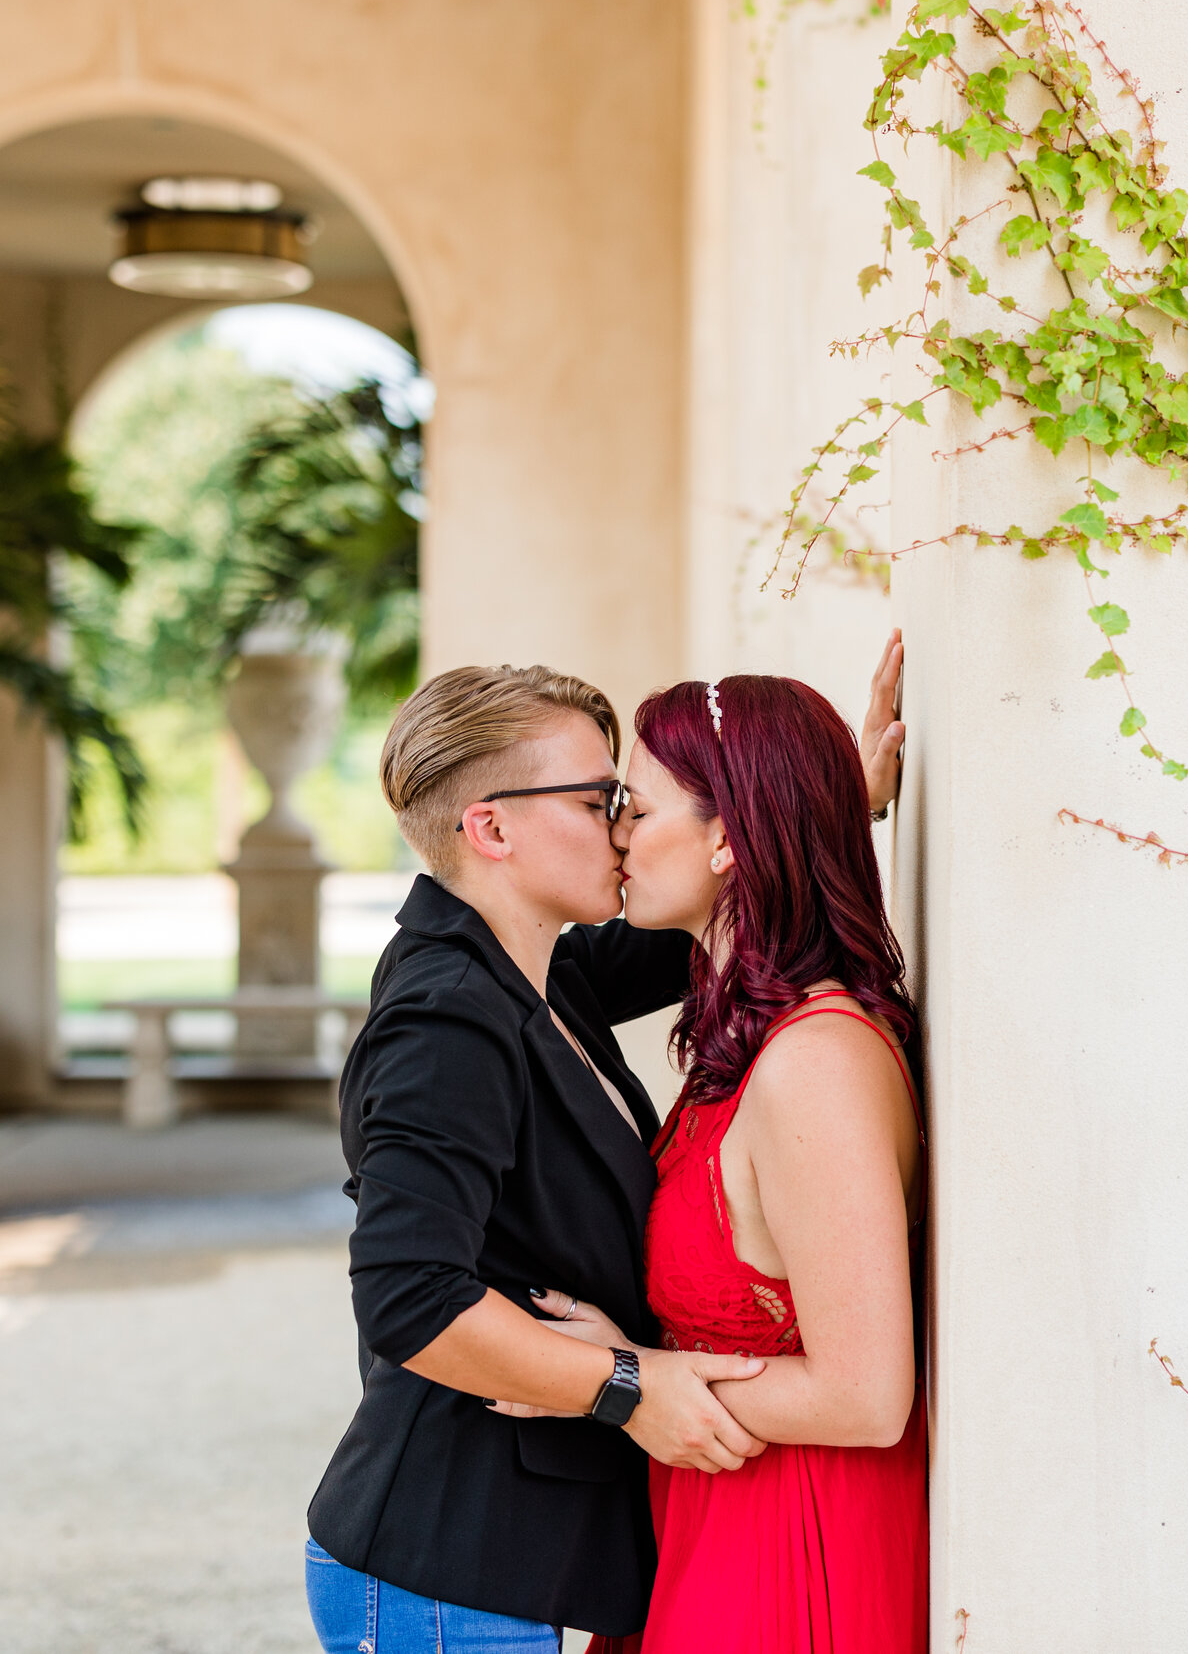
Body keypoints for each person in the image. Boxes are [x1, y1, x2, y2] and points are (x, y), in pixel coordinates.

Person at [305, 640, 908, 1653]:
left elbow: (721, 896)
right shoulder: (446, 1017)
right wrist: (628, 1384)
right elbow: (409, 1297)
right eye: (599, 799)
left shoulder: (541, 971)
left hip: (527, 1559)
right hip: (449, 1563)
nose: (624, 824)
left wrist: (818, 794)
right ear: (491, 826)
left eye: (632, 799)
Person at [513, 662, 926, 1654]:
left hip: (793, 1548)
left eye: (633, 807)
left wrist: (621, 1377)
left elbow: (868, 1396)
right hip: (709, 1519)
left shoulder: (815, 1063)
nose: (613, 833)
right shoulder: (743, 1037)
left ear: (728, 836)